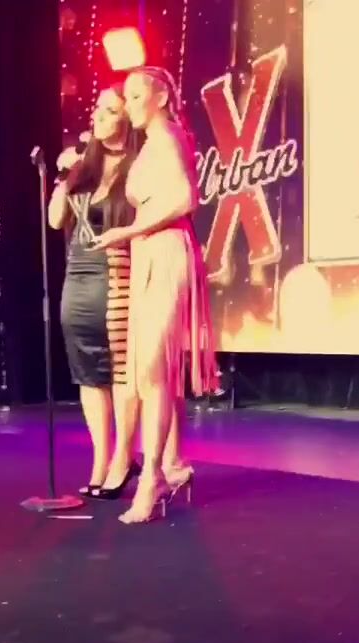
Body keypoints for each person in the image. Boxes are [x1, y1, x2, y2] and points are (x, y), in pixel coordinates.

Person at [90, 66, 218, 523]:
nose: (130, 105)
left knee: (152, 368)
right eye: (126, 97)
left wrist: (128, 230)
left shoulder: (167, 136)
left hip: (165, 252)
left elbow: (186, 198)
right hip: (147, 252)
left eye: (136, 95)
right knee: (149, 373)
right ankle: (168, 465)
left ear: (161, 97)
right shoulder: (151, 143)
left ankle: (152, 478)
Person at [48, 84, 143, 497]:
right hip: (79, 275)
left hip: (118, 273)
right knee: (88, 373)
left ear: (127, 119)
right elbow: (56, 220)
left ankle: (124, 457)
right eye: (97, 109)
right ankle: (100, 462)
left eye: (110, 110)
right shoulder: (84, 167)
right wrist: (63, 177)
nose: (99, 117)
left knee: (120, 371)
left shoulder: (138, 165)